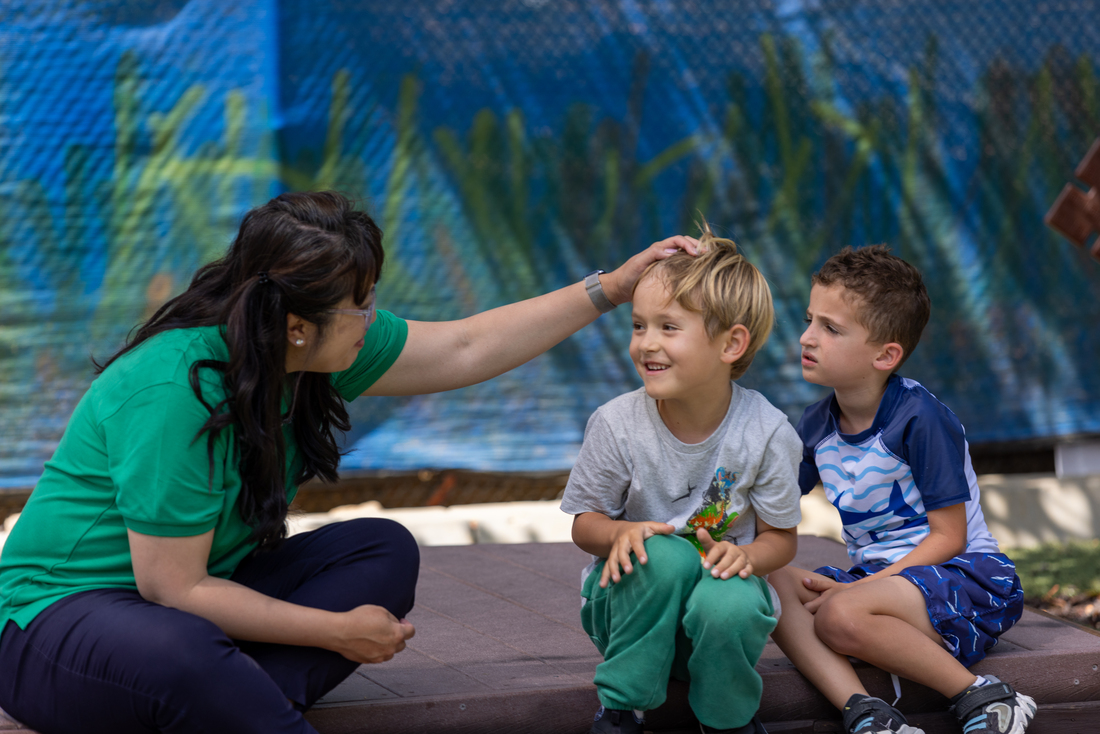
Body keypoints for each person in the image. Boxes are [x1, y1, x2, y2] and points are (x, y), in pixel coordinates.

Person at [0, 190, 700, 734]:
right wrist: (334, 632)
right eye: (361, 306)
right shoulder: (174, 391)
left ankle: (219, 707)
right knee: (180, 651)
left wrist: (611, 289)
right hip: (54, 624)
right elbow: (172, 591)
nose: (373, 317)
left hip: (189, 605)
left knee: (382, 550)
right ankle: (219, 703)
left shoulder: (301, 344)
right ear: (297, 325)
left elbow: (465, 349)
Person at [769, 245, 1036, 734]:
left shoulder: (919, 418)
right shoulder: (814, 425)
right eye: (809, 320)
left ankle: (986, 697)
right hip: (879, 585)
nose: (807, 338)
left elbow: (949, 538)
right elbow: (772, 507)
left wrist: (861, 591)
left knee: (837, 617)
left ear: (885, 354)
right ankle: (865, 712)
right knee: (771, 582)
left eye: (830, 328)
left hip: (968, 579)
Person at [559, 225, 803, 734]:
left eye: (669, 327)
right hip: (630, 614)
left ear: (732, 343)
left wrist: (750, 556)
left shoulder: (767, 432)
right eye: (639, 325)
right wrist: (616, 533)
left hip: (711, 628)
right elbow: (584, 524)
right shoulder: (617, 423)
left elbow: (781, 540)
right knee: (664, 555)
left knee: (730, 594)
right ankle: (621, 708)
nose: (646, 343)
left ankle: (728, 720)